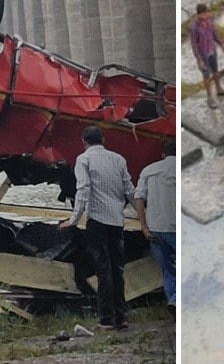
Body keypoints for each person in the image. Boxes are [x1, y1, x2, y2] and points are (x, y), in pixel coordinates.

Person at [59, 126, 135, 331]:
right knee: (118, 269)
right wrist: (145, 218)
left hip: (97, 221)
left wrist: (73, 219)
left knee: (103, 270)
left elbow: (83, 189)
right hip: (117, 221)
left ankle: (106, 320)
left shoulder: (84, 160)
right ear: (103, 139)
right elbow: (129, 190)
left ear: (84, 141)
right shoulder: (118, 159)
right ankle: (121, 317)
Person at [134, 140, 176, 314]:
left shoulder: (149, 170)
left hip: (155, 229)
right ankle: (177, 301)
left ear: (163, 154)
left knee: (167, 269)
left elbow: (139, 199)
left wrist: (144, 227)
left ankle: (173, 300)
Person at [189, 3, 224, 109]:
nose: (205, 16)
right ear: (198, 15)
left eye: (206, 13)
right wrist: (199, 59)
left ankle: (219, 89)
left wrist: (221, 43)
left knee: (216, 71)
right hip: (203, 54)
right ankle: (209, 98)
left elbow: (214, 34)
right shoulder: (194, 27)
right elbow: (194, 44)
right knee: (206, 76)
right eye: (202, 14)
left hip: (212, 50)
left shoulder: (210, 21)